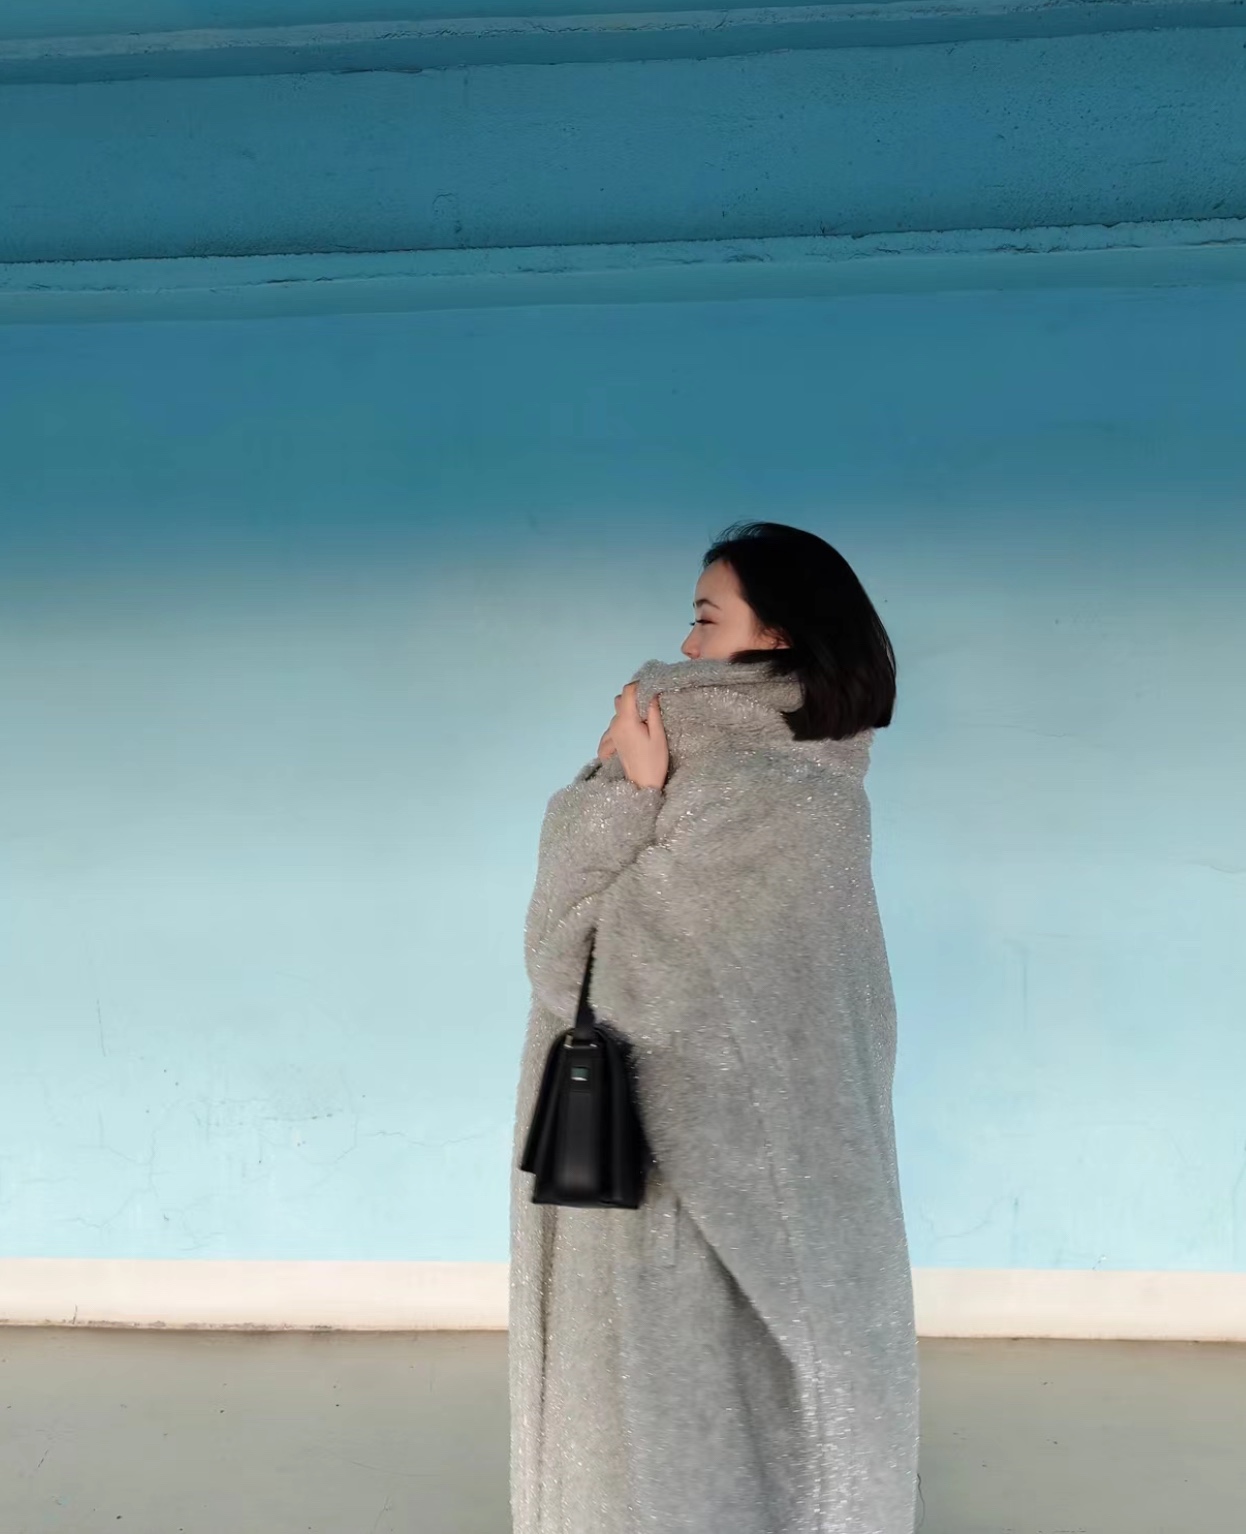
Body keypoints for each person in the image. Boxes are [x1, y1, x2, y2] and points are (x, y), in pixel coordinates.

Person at [510, 521, 919, 1534]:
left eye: (706, 618)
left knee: (677, 1389)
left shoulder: (746, 788)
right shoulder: (818, 783)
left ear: (777, 632)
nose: (686, 646)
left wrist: (621, 795)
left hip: (675, 1159)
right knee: (735, 1394)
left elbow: (580, 961)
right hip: (739, 1147)